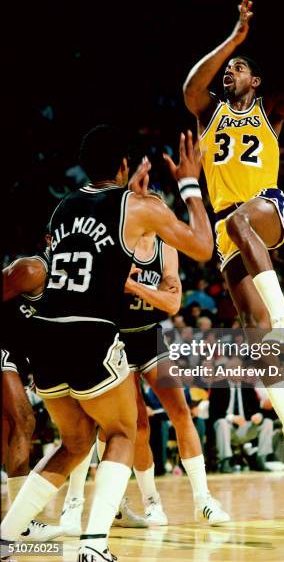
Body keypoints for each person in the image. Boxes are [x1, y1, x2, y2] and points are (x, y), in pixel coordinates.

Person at [0, 125, 213, 562]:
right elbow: (203, 248)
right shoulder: (138, 206)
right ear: (124, 166)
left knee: (74, 443)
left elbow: (108, 234)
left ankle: (5, 536)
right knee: (120, 431)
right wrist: (189, 184)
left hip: (46, 337)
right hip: (89, 331)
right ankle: (94, 546)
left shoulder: (63, 207)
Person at [183, 0, 284, 479]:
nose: (229, 73)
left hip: (265, 211)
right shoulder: (208, 111)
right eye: (227, 68)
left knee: (243, 224)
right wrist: (233, 38)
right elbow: (191, 88)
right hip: (227, 229)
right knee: (256, 337)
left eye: (238, 67)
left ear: (255, 81)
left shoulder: (271, 107)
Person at [60, 217, 229, 535]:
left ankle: (203, 499)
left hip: (150, 337)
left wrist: (133, 286)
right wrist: (154, 293)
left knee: (181, 412)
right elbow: (112, 294)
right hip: (117, 337)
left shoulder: (166, 249)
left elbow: (173, 303)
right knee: (135, 424)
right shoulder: (118, 245)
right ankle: (151, 501)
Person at [2, 254, 64, 542]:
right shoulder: (33, 269)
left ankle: (17, 518)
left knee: (13, 428)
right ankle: (21, 522)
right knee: (23, 420)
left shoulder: (71, 282)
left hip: (17, 354)